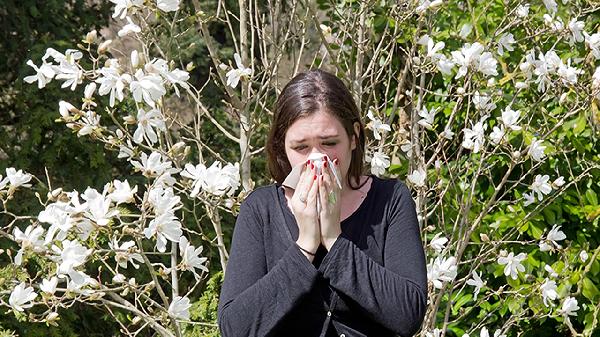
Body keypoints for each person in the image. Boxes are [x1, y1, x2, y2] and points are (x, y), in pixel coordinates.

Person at [217, 69, 427, 337]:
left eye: (329, 143)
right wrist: (305, 245)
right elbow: (235, 328)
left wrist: (333, 239)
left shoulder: (391, 200)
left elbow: (408, 314)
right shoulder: (261, 210)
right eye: (301, 148)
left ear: (353, 137)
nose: (317, 159)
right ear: (283, 147)